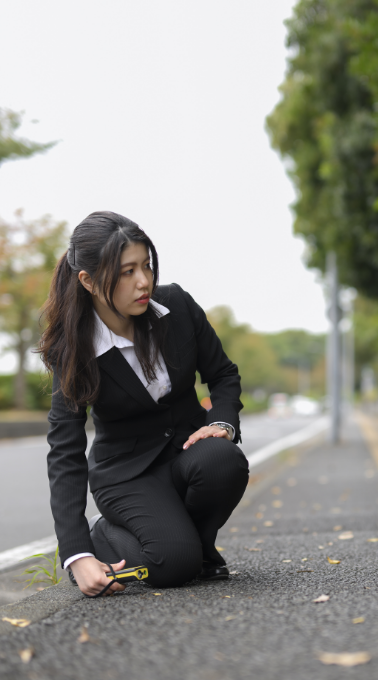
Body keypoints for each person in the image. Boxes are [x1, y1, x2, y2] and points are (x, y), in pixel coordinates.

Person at [38, 211, 249, 597]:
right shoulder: (74, 351)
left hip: (189, 455)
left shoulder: (177, 306)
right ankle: (110, 535)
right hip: (127, 476)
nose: (143, 282)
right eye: (125, 272)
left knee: (223, 459)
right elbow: (65, 450)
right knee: (174, 565)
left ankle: (194, 547)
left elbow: (223, 375)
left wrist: (222, 424)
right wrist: (76, 551)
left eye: (146, 267)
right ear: (88, 280)